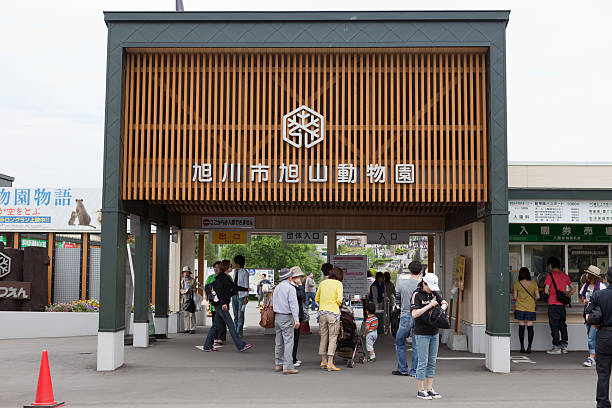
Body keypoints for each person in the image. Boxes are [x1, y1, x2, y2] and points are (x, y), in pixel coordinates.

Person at [201, 260, 253, 353]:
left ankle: (207, 346)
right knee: (231, 326)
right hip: (222, 305)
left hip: (220, 305)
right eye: (230, 266)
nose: (231, 267)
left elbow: (234, 287)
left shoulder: (226, 277)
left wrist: (245, 289)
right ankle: (241, 345)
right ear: (226, 267)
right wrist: (224, 303)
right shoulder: (222, 278)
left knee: (215, 326)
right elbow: (222, 293)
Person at [411, 273, 448, 400]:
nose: (431, 289)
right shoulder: (417, 294)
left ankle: (429, 388)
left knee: (432, 361)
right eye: (429, 286)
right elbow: (414, 314)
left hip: (434, 331)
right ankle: (420, 390)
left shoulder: (433, 293)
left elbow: (444, 303)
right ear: (423, 283)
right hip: (421, 333)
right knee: (423, 362)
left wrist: (441, 309)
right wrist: (429, 306)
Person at [585, 267, 612, 408]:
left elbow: (588, 315)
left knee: (603, 373)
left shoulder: (598, 295)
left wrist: (596, 326)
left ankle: (603, 403)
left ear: (607, 279)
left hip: (604, 336)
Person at [393, 260, 422, 377]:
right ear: (421, 271)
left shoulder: (402, 285)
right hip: (420, 317)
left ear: (409, 271)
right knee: (417, 344)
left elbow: (397, 299)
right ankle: (414, 371)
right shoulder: (423, 285)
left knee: (400, 342)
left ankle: (402, 369)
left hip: (405, 316)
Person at [315, 266, 344, 372]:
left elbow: (316, 298)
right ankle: (330, 363)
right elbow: (339, 300)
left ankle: (323, 361)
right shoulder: (338, 284)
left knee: (323, 337)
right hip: (333, 313)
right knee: (333, 337)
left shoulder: (323, 283)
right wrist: (334, 304)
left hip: (322, 313)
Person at [272, 268, 300, 374]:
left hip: (277, 317)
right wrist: (296, 319)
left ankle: (278, 364)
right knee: (288, 341)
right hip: (287, 317)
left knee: (278, 342)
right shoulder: (290, 288)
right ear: (289, 277)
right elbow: (293, 305)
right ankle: (288, 366)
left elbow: (272, 303)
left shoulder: (277, 287)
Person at [544, 256, 575, 354]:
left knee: (554, 326)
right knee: (562, 325)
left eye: (548, 265)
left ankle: (556, 346)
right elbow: (573, 289)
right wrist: (566, 295)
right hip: (562, 305)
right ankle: (564, 346)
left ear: (551, 265)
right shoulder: (565, 276)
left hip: (553, 304)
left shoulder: (550, 276)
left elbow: (546, 290)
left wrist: (551, 294)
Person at [580, 265, 606, 367]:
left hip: (597, 315)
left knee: (592, 337)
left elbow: (604, 300)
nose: (586, 275)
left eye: (588, 273)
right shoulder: (585, 286)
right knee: (591, 336)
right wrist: (584, 301)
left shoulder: (602, 287)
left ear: (592, 276)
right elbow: (581, 296)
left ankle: (591, 357)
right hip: (587, 314)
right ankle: (595, 356)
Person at [512, 267, 540, 353]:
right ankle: (529, 347)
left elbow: (515, 297)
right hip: (530, 308)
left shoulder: (517, 284)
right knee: (530, 327)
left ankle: (522, 347)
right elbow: (538, 296)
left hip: (520, 307)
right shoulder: (534, 284)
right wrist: (533, 298)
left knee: (521, 327)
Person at [205, 261, 227, 346]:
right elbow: (207, 288)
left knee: (222, 321)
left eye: (217, 267)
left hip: (222, 304)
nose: (216, 269)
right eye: (214, 267)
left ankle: (220, 337)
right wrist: (208, 296)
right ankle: (215, 338)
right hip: (214, 304)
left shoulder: (225, 277)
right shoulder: (211, 277)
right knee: (215, 321)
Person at [290, 266, 307, 368]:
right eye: (298, 276)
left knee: (295, 338)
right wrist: (300, 285)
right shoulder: (292, 287)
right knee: (293, 338)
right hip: (294, 315)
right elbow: (301, 296)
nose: (300, 278)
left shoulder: (292, 286)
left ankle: (294, 357)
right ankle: (291, 359)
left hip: (296, 314)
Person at [231, 255, 250, 337]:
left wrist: (246, 297)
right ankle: (236, 331)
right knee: (235, 315)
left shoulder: (244, 272)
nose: (233, 264)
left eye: (234, 262)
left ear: (238, 263)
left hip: (242, 296)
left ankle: (239, 333)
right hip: (234, 295)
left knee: (240, 314)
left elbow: (246, 285)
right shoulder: (235, 271)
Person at [180, 266, 197, 334]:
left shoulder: (193, 280)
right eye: (184, 272)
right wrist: (184, 291)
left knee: (192, 314)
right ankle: (186, 328)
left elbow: (195, 289)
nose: (186, 273)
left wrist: (191, 290)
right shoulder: (182, 280)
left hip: (191, 299)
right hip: (184, 299)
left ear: (189, 273)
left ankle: (192, 328)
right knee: (186, 314)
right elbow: (180, 290)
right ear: (183, 273)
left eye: (187, 272)